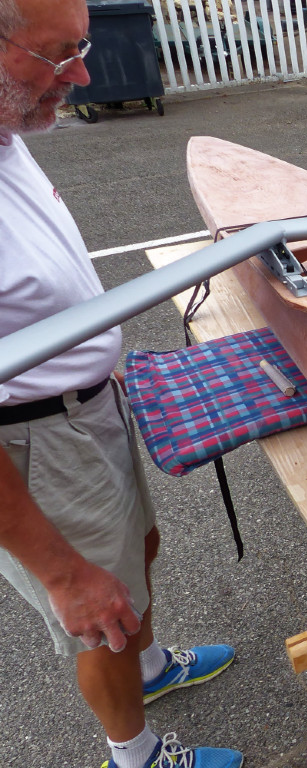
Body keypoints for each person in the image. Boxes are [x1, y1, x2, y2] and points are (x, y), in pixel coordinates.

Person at [0, 1, 243, 766]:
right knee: (98, 606)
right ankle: (133, 755)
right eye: (58, 55)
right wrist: (61, 572)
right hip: (37, 441)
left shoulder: (7, 131)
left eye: (83, 46)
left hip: (84, 411)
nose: (83, 74)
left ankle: (148, 668)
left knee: (139, 550)